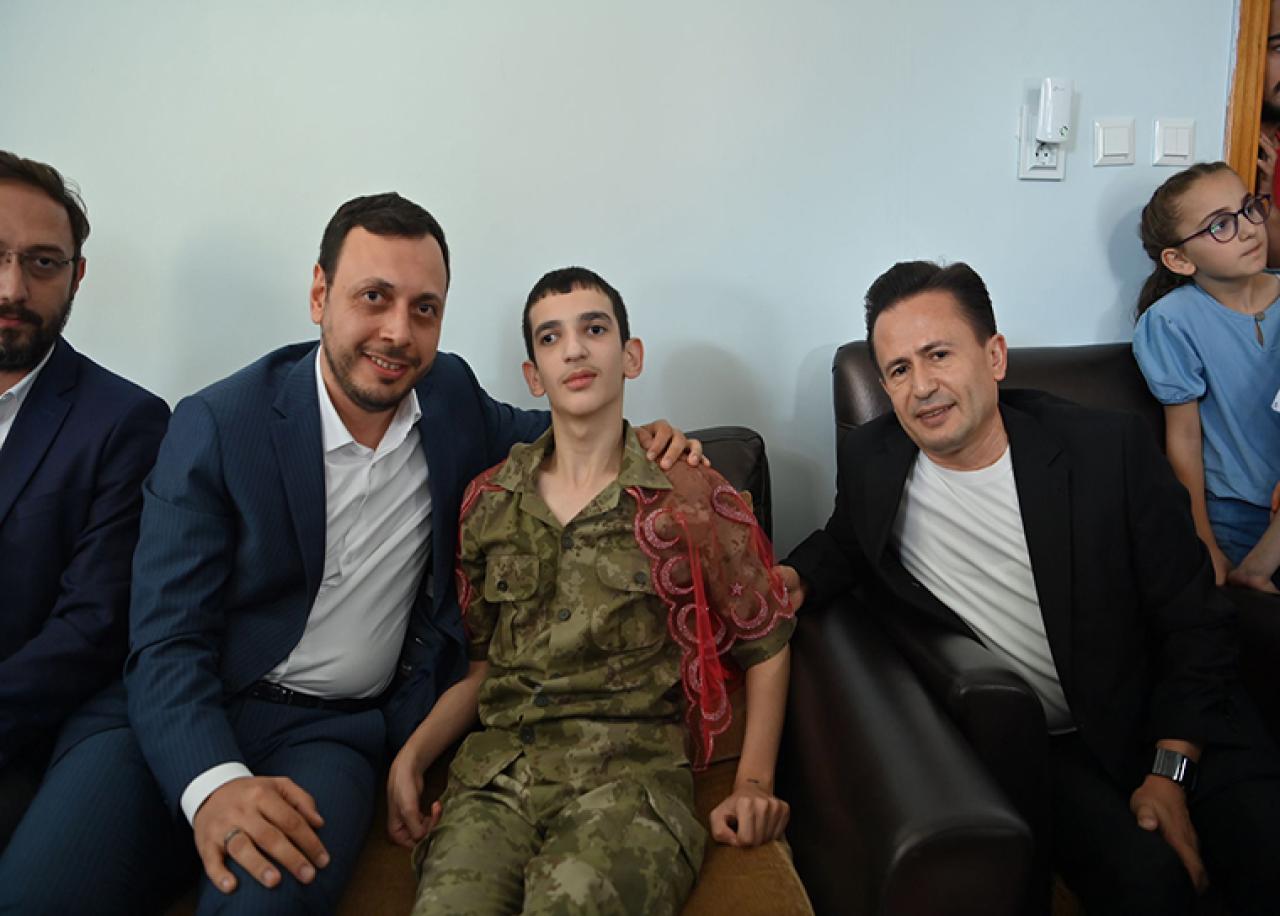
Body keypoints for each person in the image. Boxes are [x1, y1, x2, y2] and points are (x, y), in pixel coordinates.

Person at [0, 196, 699, 915]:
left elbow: (559, 434)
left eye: (424, 309)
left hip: (327, 735)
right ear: (319, 295)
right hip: (169, 719)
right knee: (36, 897)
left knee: (262, 906)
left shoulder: (451, 399)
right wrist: (213, 784)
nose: (398, 332)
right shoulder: (218, 425)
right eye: (374, 298)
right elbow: (166, 639)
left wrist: (652, 438)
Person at [779, 260, 1280, 915]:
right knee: (1150, 887)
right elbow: (843, 544)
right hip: (1056, 750)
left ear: (994, 356)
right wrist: (789, 579)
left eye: (938, 355)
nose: (922, 386)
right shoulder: (874, 461)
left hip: (1177, 713)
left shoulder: (1107, 450)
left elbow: (1197, 618)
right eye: (898, 370)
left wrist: (1171, 769)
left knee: (1266, 853)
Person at [390, 267, 795, 916]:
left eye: (595, 329)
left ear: (630, 356)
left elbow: (766, 642)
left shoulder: (686, 493)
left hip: (628, 783)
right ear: (534, 375)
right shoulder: (489, 501)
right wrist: (412, 758)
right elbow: (483, 667)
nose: (574, 349)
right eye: (551, 337)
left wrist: (753, 782)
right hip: (498, 782)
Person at [0, 150, 169, 851]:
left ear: (77, 275)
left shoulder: (125, 423)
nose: (12, 287)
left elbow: (89, 630)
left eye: (42, 263)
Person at [1133, 161, 1280, 594]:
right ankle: (1255, 567)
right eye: (1220, 225)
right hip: (1236, 516)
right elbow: (1184, 440)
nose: (1249, 230)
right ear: (1179, 259)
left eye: (1249, 208)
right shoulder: (1171, 321)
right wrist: (1202, 543)